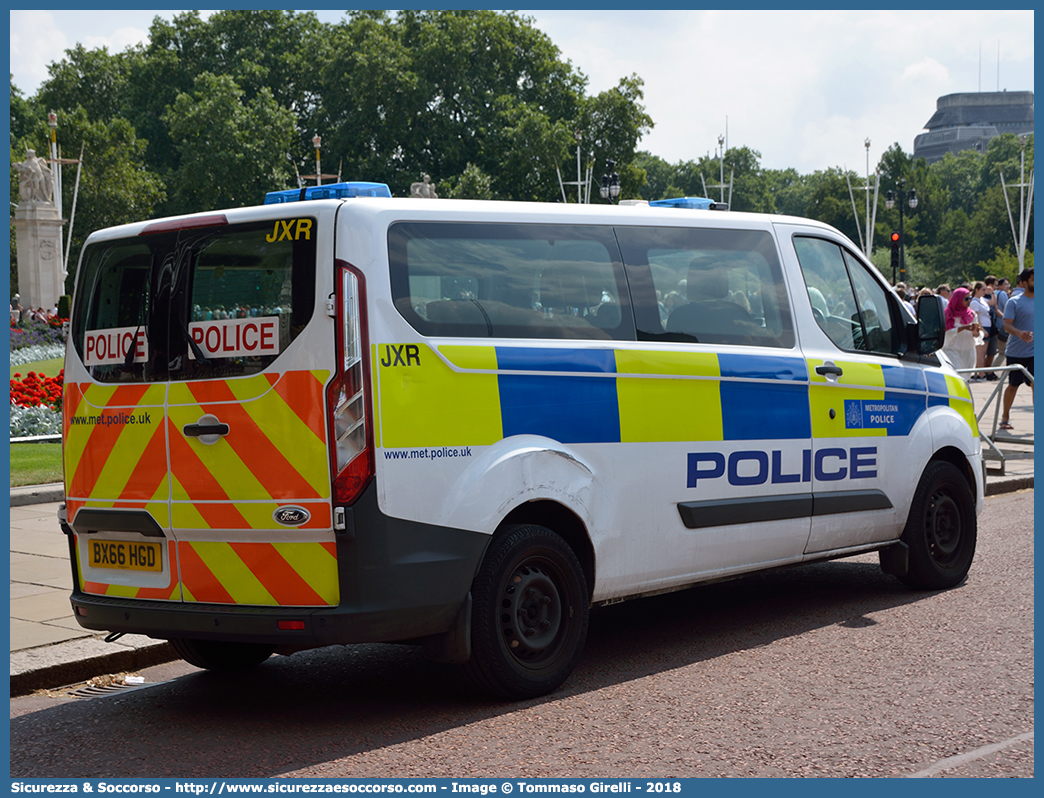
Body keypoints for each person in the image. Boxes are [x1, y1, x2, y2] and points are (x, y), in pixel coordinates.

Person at [999, 268, 1034, 431]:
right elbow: (1006, 324)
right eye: (1034, 279)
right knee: (1013, 385)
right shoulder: (1014, 301)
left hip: (1035, 352)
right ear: (1024, 282)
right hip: (1016, 352)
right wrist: (1019, 333)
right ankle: (1005, 416)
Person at [942, 287, 979, 375]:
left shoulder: (972, 314)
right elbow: (946, 333)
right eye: (966, 299)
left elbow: (976, 336)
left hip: (968, 351)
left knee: (966, 377)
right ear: (958, 299)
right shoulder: (947, 314)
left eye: (970, 298)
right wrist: (963, 328)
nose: (969, 301)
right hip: (952, 350)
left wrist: (976, 330)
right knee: (955, 374)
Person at [968, 281, 992, 380]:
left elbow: (993, 303)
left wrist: (992, 293)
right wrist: (982, 330)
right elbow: (975, 318)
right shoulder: (974, 302)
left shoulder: (982, 300)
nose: (984, 291)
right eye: (983, 289)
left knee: (983, 352)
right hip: (982, 327)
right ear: (976, 289)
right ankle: (979, 374)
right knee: (980, 353)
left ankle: (979, 373)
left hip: (987, 326)